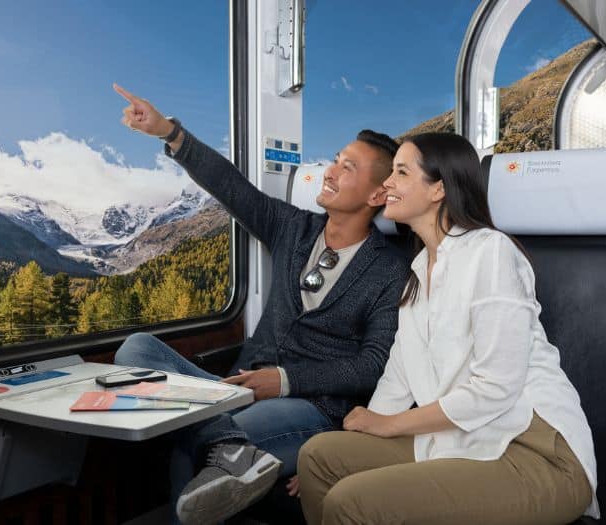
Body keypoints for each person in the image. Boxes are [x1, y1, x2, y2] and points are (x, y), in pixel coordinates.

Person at [111, 84, 408, 525]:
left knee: (201, 442)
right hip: (239, 386)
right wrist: (169, 133)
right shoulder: (293, 227)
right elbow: (232, 187)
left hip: (313, 407)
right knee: (135, 351)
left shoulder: (390, 269)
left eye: (348, 167)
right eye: (336, 159)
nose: (329, 170)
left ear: (377, 195)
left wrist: (284, 381)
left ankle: (223, 441)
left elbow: (373, 364)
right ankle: (226, 442)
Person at [297, 132, 599, 525]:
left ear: (438, 188)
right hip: (458, 438)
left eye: (401, 173)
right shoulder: (419, 270)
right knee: (319, 457)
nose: (387, 182)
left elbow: (495, 388)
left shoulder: (490, 252)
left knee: (350, 502)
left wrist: (389, 425)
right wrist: (362, 434)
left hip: (533, 449)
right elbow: (398, 376)